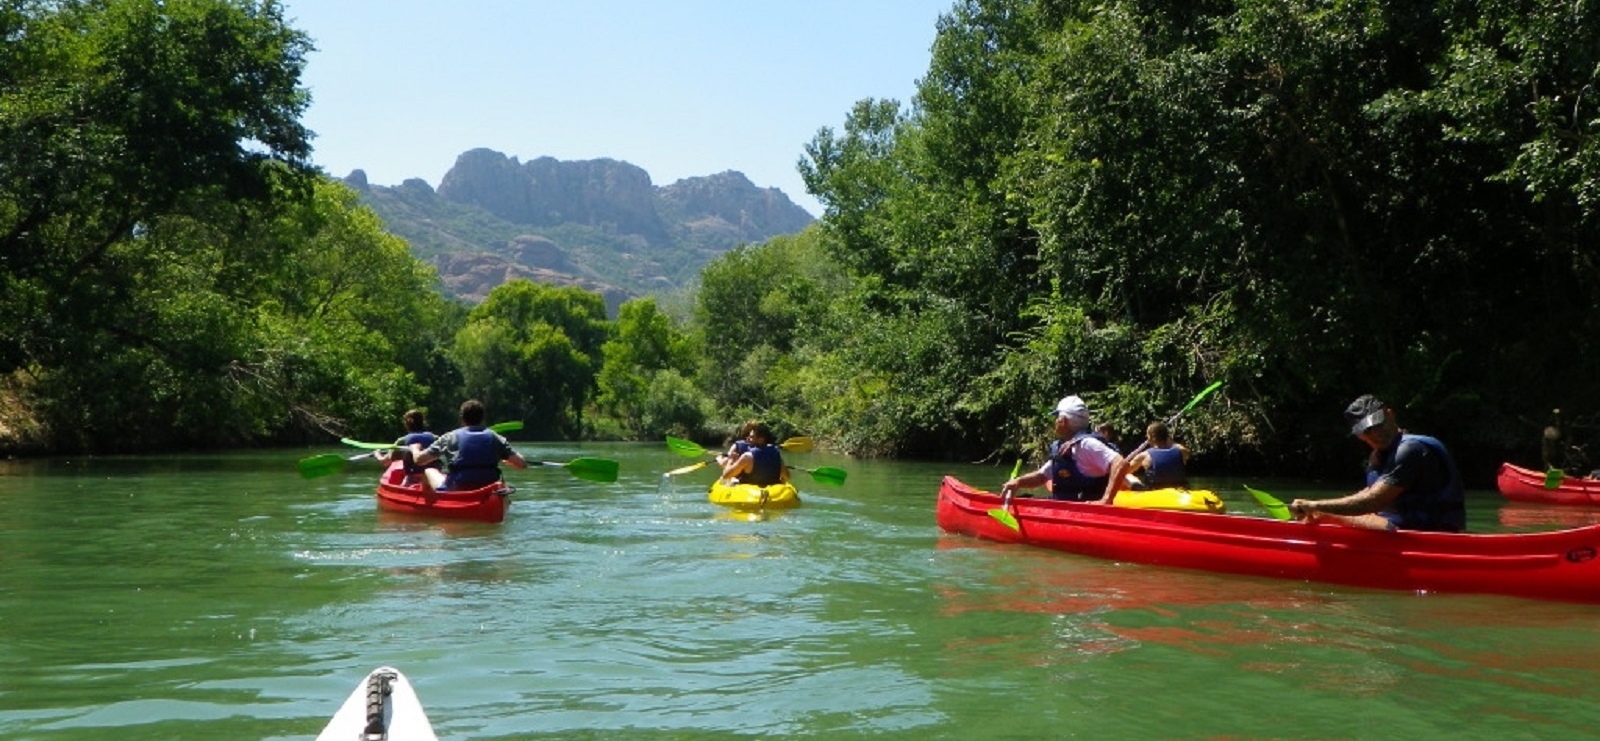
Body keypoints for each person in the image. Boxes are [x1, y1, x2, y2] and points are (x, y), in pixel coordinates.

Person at [1288, 394, 1466, 532]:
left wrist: (1315, 506)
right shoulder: (1379, 455)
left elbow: (1372, 502)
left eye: (1378, 424)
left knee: (1321, 512)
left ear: (1390, 414)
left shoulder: (1411, 450)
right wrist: (1317, 507)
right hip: (1398, 531)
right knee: (1327, 511)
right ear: (1360, 436)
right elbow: (1368, 493)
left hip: (1424, 535)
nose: (1375, 433)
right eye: (1366, 431)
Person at [1000, 395, 1124, 502]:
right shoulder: (1066, 446)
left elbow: (1120, 463)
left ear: (1063, 421)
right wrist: (1018, 482)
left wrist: (1106, 499)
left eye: (1057, 417)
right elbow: (1041, 477)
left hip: (1083, 512)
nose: (1055, 422)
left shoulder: (1086, 444)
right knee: (1025, 498)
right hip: (1064, 507)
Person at [410, 399, 528, 491]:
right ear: (482, 419)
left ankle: (431, 505)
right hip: (489, 488)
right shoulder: (495, 437)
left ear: (462, 419)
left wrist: (415, 449)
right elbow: (522, 464)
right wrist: (507, 459)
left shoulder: (449, 437)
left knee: (429, 470)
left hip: (458, 487)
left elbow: (419, 460)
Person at [1099, 420, 1189, 503]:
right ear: (1167, 436)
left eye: (1147, 435)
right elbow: (1180, 448)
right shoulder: (1181, 451)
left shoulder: (1144, 456)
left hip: (1153, 495)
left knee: (1127, 476)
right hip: (1179, 491)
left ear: (1150, 437)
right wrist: (1169, 440)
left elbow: (1123, 472)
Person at [379, 408, 439, 485]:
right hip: (433, 480)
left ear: (407, 423)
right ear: (423, 422)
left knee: (407, 480)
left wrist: (377, 454)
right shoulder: (436, 438)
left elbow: (386, 462)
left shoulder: (402, 441)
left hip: (412, 480)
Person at [719, 421, 789, 486]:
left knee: (729, 480)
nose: (748, 438)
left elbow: (726, 475)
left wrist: (731, 459)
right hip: (772, 493)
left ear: (760, 439)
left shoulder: (747, 457)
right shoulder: (776, 454)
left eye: (751, 437)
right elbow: (786, 476)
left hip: (750, 493)